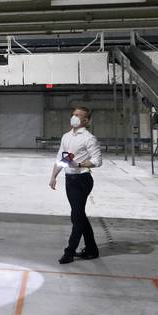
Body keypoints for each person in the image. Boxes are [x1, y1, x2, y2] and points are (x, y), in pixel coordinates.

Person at [49, 106, 102, 264]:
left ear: (86, 120)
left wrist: (78, 165)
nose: (75, 117)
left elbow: (97, 161)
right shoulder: (66, 137)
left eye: (79, 115)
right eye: (73, 114)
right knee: (79, 216)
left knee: (76, 217)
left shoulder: (89, 138)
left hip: (82, 180)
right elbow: (61, 158)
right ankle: (91, 249)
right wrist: (53, 176)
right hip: (69, 180)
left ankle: (69, 252)